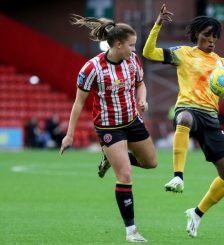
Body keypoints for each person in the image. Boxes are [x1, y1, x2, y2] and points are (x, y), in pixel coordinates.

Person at [143, 4, 224, 238]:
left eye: (215, 36)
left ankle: (196, 213)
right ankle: (178, 176)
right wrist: (157, 25)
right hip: (188, 108)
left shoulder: (221, 64)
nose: (211, 40)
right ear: (197, 35)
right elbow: (149, 53)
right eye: (207, 35)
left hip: (210, 117)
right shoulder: (183, 53)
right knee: (183, 118)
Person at [60, 14, 157, 243]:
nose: (134, 49)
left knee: (150, 163)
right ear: (118, 44)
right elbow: (78, 104)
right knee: (125, 175)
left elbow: (140, 84)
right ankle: (131, 231)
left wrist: (143, 99)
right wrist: (69, 135)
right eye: (131, 45)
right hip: (108, 126)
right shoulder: (91, 68)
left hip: (132, 121)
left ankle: (111, 159)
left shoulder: (133, 60)